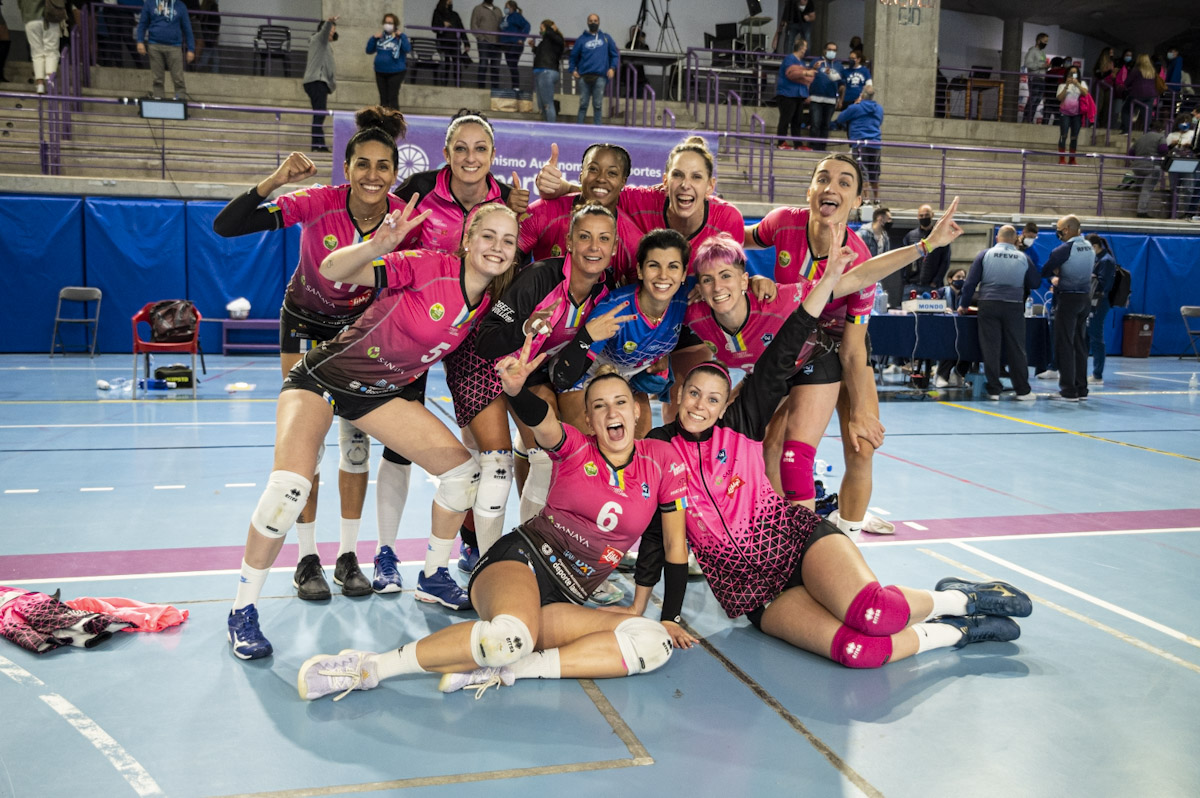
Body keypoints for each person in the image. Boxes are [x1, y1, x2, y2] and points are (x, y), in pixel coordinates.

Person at [632, 240, 1028, 672]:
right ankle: (961, 632)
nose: (699, 406)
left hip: (795, 543)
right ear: (678, 395)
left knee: (876, 614)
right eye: (693, 394)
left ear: (728, 402)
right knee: (859, 652)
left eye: (713, 398)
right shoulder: (658, 449)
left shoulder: (741, 424)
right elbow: (659, 539)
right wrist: (660, 614)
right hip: (752, 592)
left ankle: (959, 599)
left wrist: (830, 279)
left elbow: (788, 342)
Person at [297, 341, 693, 701]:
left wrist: (667, 615)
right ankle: (368, 667)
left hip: (568, 596)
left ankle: (509, 668)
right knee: (510, 634)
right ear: (588, 420)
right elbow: (545, 424)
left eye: (620, 402)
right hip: (522, 562)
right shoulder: (575, 447)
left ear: (636, 410)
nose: (612, 412)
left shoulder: (662, 460)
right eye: (600, 406)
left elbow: (674, 544)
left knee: (653, 641)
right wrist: (517, 391)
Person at [225, 201, 520, 661]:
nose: (497, 247)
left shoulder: (488, 305)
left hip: (376, 395)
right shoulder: (429, 267)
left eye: (508, 240)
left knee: (463, 475)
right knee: (288, 490)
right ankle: (242, 610)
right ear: (467, 239)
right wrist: (376, 246)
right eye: (488, 236)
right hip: (322, 379)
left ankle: (432, 576)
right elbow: (329, 268)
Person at [213, 107, 410, 604]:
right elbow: (226, 225)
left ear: (394, 173)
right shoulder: (318, 201)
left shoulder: (402, 217)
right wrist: (275, 181)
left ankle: (347, 556)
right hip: (305, 323)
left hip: (358, 332)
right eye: (362, 164)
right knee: (307, 442)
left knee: (356, 444)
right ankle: (306, 558)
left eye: (383, 166)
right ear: (347, 168)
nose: (372, 175)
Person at [745, 155, 963, 540]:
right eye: (823, 179)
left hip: (841, 343)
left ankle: (846, 540)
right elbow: (731, 240)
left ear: (858, 200)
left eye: (845, 182)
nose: (831, 187)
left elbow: (852, 349)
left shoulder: (859, 259)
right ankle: (779, 536)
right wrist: (744, 275)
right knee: (771, 442)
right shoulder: (782, 222)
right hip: (791, 343)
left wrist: (860, 410)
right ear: (810, 190)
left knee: (862, 446)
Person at [391, 111, 520, 592]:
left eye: (480, 148)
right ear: (446, 153)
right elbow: (389, 253)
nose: (470, 157)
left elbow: (519, 269)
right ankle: (385, 554)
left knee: (489, 456)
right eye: (460, 148)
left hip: (476, 337)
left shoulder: (507, 202)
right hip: (419, 331)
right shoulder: (418, 190)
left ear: (492, 155)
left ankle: (479, 553)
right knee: (397, 449)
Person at [475, 204, 616, 522]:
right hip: (499, 368)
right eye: (585, 237)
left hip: (541, 373)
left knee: (563, 452)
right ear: (569, 242)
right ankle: (524, 542)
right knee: (530, 461)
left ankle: (544, 531)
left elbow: (570, 368)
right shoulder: (539, 278)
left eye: (604, 238)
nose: (594, 247)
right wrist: (525, 327)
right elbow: (486, 341)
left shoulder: (608, 292)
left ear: (615, 247)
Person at [548, 228, 690, 438]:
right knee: (592, 448)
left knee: (639, 450)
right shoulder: (614, 310)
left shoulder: (687, 297)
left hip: (627, 378)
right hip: (581, 373)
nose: (663, 275)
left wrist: (662, 356)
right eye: (654, 265)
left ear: (684, 274)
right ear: (640, 270)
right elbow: (564, 376)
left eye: (673, 266)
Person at [519, 143, 641, 282]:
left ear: (623, 182)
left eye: (612, 173)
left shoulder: (633, 242)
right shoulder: (541, 213)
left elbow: (637, 291)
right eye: (593, 169)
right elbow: (507, 262)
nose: (601, 178)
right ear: (581, 175)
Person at [957, 226, 1040, 401]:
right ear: (1015, 239)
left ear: (997, 238)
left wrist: (963, 305)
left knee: (990, 347)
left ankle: (994, 390)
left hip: (989, 304)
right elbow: (1035, 283)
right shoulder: (1023, 257)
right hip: (1014, 306)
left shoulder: (984, 255)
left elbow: (970, 283)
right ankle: (1023, 391)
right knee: (1017, 348)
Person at [1042, 214, 1095, 402]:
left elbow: (1045, 271)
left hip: (1068, 299)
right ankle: (1081, 389)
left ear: (1066, 230)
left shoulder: (1063, 250)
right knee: (1080, 344)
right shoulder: (1089, 247)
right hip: (1085, 299)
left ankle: (1068, 390)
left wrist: (1057, 273)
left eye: (1058, 229)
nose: (1057, 233)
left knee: (1064, 344)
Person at [831, 85, 883, 205]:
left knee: (862, 171)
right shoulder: (879, 109)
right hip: (875, 143)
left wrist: (855, 104)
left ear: (862, 95)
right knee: (874, 172)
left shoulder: (855, 108)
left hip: (859, 143)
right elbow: (879, 121)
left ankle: (866, 199)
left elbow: (840, 118)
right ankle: (877, 199)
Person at [135, 0, 194, 100]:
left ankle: (180, 101)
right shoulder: (150, 4)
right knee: (157, 79)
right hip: (154, 46)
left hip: (174, 47)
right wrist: (140, 41)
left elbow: (187, 28)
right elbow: (142, 24)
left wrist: (191, 49)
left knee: (178, 79)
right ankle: (158, 100)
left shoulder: (180, 6)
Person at [569, 14, 618, 125]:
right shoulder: (581, 39)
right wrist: (572, 70)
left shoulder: (606, 38)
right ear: (587, 22)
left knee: (598, 105)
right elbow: (573, 56)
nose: (593, 23)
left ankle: (597, 130)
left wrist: (612, 68)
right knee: (583, 105)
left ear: (599, 22)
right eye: (591, 21)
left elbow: (614, 55)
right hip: (584, 77)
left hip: (600, 77)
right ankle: (579, 129)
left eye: (595, 20)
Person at [302, 17, 337, 152]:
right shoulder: (318, 40)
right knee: (320, 114)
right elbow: (324, 32)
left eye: (334, 31)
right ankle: (318, 145)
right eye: (331, 30)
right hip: (316, 81)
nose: (332, 33)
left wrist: (331, 85)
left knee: (319, 114)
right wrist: (329, 22)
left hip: (320, 82)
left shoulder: (326, 46)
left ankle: (317, 144)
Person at [1086, 234, 1116, 385]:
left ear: (1095, 246)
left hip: (1100, 302)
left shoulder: (1106, 261)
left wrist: (1090, 277)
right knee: (1086, 335)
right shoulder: (1096, 259)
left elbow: (1103, 284)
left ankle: (1097, 374)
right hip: (1090, 301)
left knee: (1096, 336)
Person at [901, 203, 951, 293]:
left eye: (927, 215)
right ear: (917, 217)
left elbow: (945, 261)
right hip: (911, 285)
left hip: (932, 286)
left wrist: (935, 281)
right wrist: (905, 281)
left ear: (932, 215)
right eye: (921, 215)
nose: (924, 217)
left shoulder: (940, 236)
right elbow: (903, 259)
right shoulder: (910, 236)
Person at [366, 12, 411, 110]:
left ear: (395, 25)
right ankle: (383, 118)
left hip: (396, 71)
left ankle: (395, 118)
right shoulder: (380, 37)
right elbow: (369, 50)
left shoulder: (399, 38)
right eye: (386, 22)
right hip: (380, 71)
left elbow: (407, 49)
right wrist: (373, 38)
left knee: (392, 98)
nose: (388, 25)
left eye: (390, 23)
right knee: (383, 99)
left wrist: (402, 36)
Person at [776, 36, 813, 150]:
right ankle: (781, 142)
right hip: (787, 94)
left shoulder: (801, 62)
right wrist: (806, 73)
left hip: (799, 95)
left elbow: (804, 79)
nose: (806, 49)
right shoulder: (789, 59)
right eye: (805, 47)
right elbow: (792, 74)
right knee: (785, 119)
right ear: (801, 48)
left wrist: (806, 93)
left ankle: (798, 144)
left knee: (797, 121)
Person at [807, 41, 844, 150]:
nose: (832, 52)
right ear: (824, 50)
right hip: (815, 99)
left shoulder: (839, 66)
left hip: (831, 100)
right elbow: (807, 78)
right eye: (829, 49)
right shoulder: (815, 62)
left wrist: (841, 100)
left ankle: (821, 149)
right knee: (815, 124)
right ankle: (813, 147)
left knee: (826, 126)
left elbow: (842, 85)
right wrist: (814, 69)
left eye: (834, 50)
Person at [1129, 119, 1168, 218]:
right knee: (1147, 189)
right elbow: (1163, 150)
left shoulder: (1141, 137)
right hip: (1152, 166)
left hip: (1137, 167)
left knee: (1140, 188)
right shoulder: (1160, 137)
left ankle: (1138, 209)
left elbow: (1131, 153)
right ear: (1161, 129)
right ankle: (1142, 211)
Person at [530, 19, 563, 122]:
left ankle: (551, 127)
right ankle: (546, 125)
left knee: (547, 104)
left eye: (542, 28)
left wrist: (549, 28)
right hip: (540, 72)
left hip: (547, 71)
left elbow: (554, 45)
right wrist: (533, 47)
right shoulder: (545, 42)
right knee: (541, 104)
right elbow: (542, 53)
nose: (541, 31)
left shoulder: (556, 39)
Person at [1166, 113, 1197, 220]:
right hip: (1174, 164)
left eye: (1186, 122)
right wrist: (1172, 145)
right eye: (1182, 122)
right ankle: (1173, 212)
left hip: (1188, 164)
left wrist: (1190, 146)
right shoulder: (1171, 135)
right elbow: (1166, 149)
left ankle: (1187, 212)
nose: (1184, 124)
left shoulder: (1193, 134)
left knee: (1189, 188)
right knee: (1174, 188)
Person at [1056, 65, 1088, 165]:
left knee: (1074, 137)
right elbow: (1059, 98)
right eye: (1071, 73)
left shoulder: (1082, 83)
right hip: (1064, 114)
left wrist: (1077, 84)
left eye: (1075, 73)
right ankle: (1062, 158)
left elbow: (1085, 93)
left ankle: (1072, 159)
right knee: (1063, 135)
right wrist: (1066, 86)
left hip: (1077, 114)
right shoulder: (1062, 85)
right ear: (1067, 74)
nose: (1073, 75)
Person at [432, 0, 468, 87]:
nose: (451, 1)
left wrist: (466, 43)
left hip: (455, 43)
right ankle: (444, 84)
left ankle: (457, 85)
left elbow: (461, 29)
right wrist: (443, 24)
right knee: (446, 64)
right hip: (444, 43)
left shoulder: (455, 15)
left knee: (457, 65)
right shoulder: (438, 13)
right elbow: (434, 27)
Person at [470, 0, 503, 91]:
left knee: (495, 68)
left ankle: (495, 91)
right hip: (484, 42)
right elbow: (473, 25)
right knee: (483, 65)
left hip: (497, 43)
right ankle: (481, 89)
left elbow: (502, 26)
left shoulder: (498, 10)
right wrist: (481, 38)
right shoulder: (478, 9)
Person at [1124, 54, 1159, 132]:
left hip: (1138, 94)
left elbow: (1127, 82)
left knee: (1126, 110)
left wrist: (1129, 88)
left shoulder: (1136, 70)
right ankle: (1147, 131)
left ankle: (1126, 130)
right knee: (1147, 114)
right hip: (1151, 95)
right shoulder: (1152, 71)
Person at [499, 1, 529, 91]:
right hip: (506, 44)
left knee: (513, 65)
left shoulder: (516, 16)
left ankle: (516, 87)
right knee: (511, 65)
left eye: (507, 7)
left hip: (514, 44)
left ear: (512, 8)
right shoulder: (505, 18)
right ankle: (515, 86)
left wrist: (522, 38)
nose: (505, 9)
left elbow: (527, 25)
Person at [1022, 32, 1049, 124]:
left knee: (1037, 100)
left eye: (1047, 42)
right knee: (1033, 99)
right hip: (1035, 78)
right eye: (1045, 41)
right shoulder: (1032, 51)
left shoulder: (1043, 53)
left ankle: (1030, 119)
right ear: (1038, 40)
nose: (1046, 43)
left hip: (1042, 78)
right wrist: (1041, 66)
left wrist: (1046, 66)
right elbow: (1028, 64)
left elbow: (1042, 65)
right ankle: (1026, 119)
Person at [193, 0, 219, 73]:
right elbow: (215, 22)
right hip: (210, 38)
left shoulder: (204, 7)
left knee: (216, 60)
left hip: (206, 36)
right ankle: (193, 70)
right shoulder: (213, 6)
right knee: (205, 60)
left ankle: (215, 74)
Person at [1093, 46, 1115, 126]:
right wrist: (1109, 71)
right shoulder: (1100, 62)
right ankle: (1093, 122)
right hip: (1100, 85)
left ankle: (1103, 124)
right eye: (1110, 52)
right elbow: (1099, 75)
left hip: (1109, 86)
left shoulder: (1112, 62)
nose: (1112, 54)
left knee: (1107, 107)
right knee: (1098, 105)